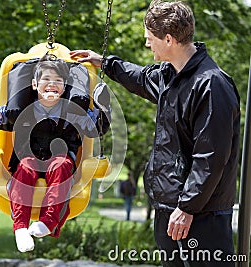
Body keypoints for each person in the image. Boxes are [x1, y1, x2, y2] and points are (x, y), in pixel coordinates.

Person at [70, 1, 240, 266]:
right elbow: (138, 77)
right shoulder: (168, 74)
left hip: (201, 214)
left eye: (150, 38)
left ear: (169, 39)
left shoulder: (212, 85)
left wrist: (187, 208)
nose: (147, 44)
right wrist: (105, 63)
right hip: (168, 207)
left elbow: (211, 157)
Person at [0, 54, 111, 253]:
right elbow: (2, 119)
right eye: (46, 80)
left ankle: (48, 222)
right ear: (35, 84)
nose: (52, 84)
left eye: (58, 81)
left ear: (65, 86)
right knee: (24, 168)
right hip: (29, 157)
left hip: (60, 159)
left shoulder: (72, 110)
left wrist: (103, 109)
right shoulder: (24, 108)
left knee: (60, 165)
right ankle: (21, 228)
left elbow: (94, 127)